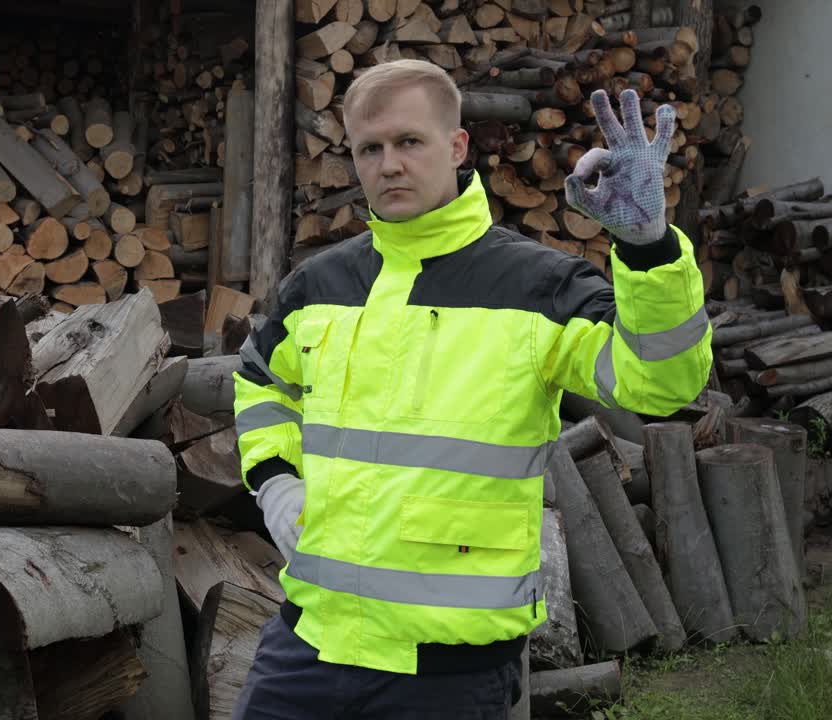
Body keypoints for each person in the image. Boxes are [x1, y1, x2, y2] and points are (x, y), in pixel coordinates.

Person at [230, 58, 711, 719]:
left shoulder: (537, 289)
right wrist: (277, 479)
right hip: (310, 643)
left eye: (408, 142)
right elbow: (260, 380)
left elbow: (659, 382)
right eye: (369, 148)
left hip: (449, 672)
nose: (388, 164)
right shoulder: (319, 285)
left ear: (456, 148)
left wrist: (649, 250)